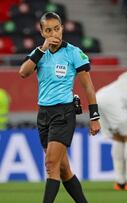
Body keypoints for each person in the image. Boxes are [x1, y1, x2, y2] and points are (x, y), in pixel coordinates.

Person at [18, 12, 100, 203]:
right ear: (42, 32)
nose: (53, 33)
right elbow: (23, 73)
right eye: (48, 30)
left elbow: (88, 86)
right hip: (44, 114)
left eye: (56, 28)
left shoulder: (73, 53)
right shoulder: (39, 53)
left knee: (50, 164)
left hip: (64, 112)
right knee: (63, 170)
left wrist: (94, 117)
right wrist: (40, 50)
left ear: (62, 28)